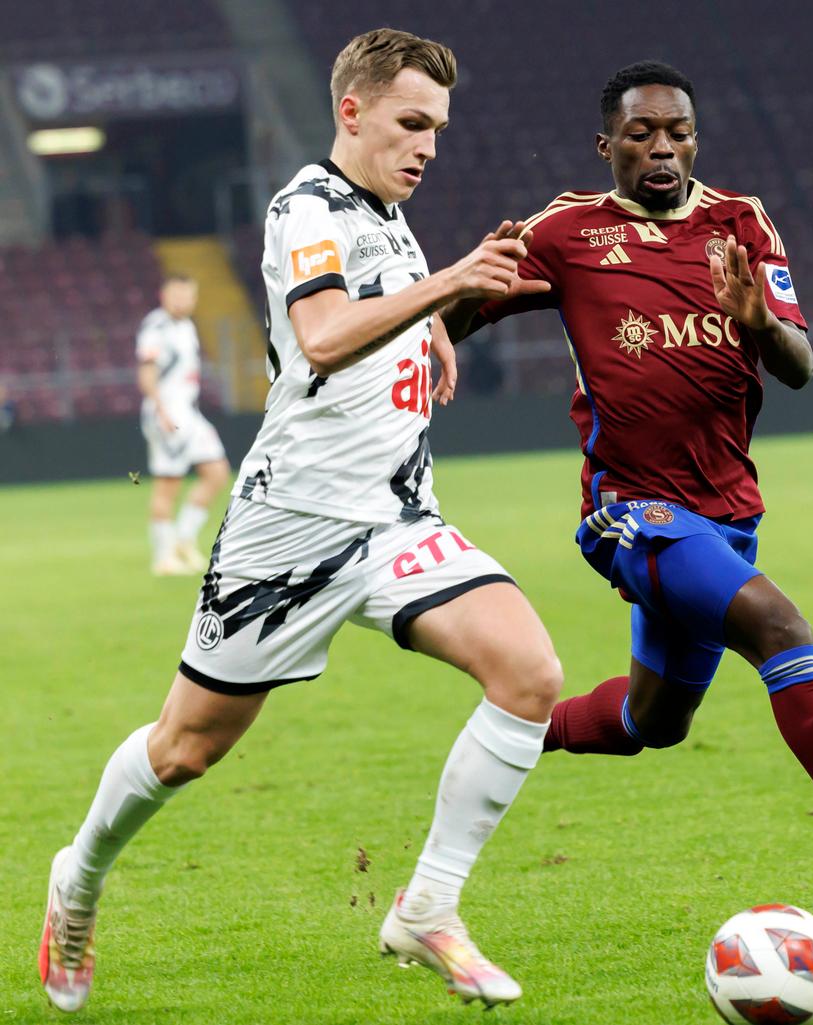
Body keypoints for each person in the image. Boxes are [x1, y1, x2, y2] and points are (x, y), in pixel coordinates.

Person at [39, 28, 564, 1012]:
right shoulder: (304, 209)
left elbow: (387, 317)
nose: (427, 147)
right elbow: (320, 338)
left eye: (439, 131)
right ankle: (79, 876)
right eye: (411, 123)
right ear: (351, 112)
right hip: (291, 527)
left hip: (396, 519)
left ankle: (426, 908)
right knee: (184, 748)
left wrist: (441, 326)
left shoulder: (389, 216)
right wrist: (448, 283)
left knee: (529, 670)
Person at [437, 61, 813, 934]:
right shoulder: (568, 232)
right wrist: (461, 294)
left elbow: (799, 367)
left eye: (678, 131)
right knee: (783, 631)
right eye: (642, 134)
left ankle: (506, 734)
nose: (662, 148)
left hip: (727, 512)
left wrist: (759, 319)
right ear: (606, 145)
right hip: (631, 509)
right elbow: (458, 317)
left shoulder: (741, 221)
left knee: (654, 720)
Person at [136, 273, 231, 575]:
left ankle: (183, 541)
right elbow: (146, 372)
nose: (182, 300)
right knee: (168, 486)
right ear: (164, 296)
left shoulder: (186, 326)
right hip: (168, 413)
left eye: (188, 295)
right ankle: (163, 557)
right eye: (176, 294)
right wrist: (160, 410)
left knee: (217, 472)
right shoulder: (156, 326)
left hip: (190, 413)